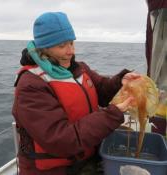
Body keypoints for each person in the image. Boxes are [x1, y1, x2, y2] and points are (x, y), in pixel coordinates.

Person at [12, 11, 139, 175]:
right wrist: (111, 115)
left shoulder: (79, 67)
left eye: (71, 43)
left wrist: (120, 82)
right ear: (44, 49)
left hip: (86, 158)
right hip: (56, 170)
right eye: (62, 46)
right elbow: (60, 140)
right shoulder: (31, 85)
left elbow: (101, 90)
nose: (70, 51)